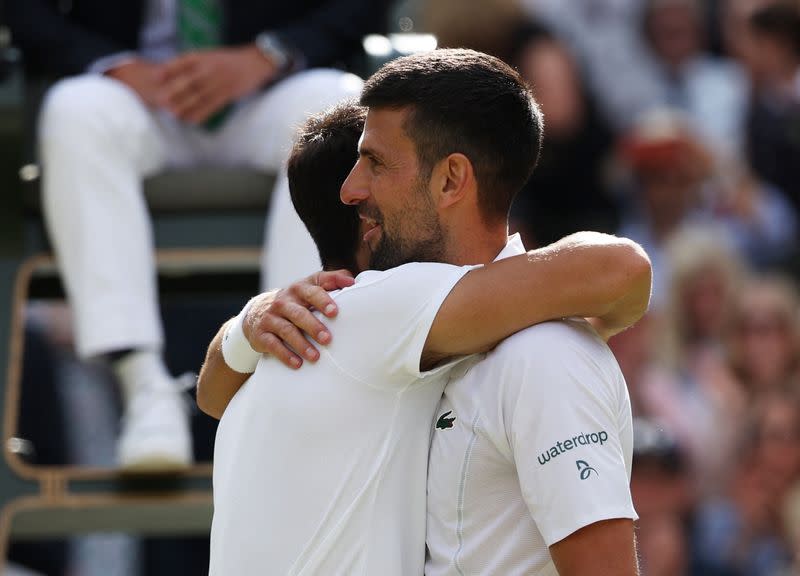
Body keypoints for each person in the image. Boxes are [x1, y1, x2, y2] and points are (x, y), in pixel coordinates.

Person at [199, 50, 650, 574]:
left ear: (451, 179)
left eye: (376, 162)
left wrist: (245, 326)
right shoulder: (380, 321)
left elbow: (622, 267)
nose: (353, 189)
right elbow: (619, 271)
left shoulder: (545, 354)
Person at [4, 0, 387, 470]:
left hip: (270, 92)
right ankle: (144, 389)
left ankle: (294, 377)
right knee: (75, 109)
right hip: (136, 97)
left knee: (335, 101)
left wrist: (268, 55)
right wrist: (113, 66)